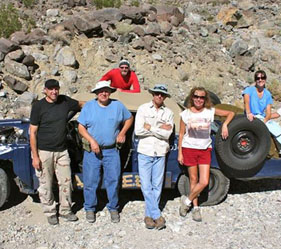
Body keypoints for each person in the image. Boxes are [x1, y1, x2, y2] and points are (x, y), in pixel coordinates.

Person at [78, 80, 134, 223]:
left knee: (113, 180)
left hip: (112, 151)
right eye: (101, 91)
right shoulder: (89, 106)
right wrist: (91, 141)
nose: (104, 93)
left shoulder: (117, 105)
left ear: (110, 92)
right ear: (96, 93)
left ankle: (113, 207)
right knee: (90, 181)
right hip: (92, 151)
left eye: (106, 90)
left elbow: (129, 118)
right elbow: (81, 127)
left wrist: (122, 133)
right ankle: (90, 208)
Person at [30, 79, 83, 225]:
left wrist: (99, 104)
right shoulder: (38, 106)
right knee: (45, 184)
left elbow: (80, 104)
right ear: (45, 90)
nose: (54, 92)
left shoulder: (64, 101)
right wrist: (35, 156)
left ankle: (65, 210)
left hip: (62, 151)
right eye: (51, 89)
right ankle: (50, 212)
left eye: (56, 89)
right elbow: (32, 132)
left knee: (66, 182)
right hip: (44, 152)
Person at [178, 86, 234, 222]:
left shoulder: (210, 112)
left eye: (202, 97)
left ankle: (186, 201)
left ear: (205, 99)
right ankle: (196, 208)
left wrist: (225, 125)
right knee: (193, 180)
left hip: (204, 149)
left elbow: (230, 113)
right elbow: (181, 134)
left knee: (203, 181)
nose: (199, 99)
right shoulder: (185, 114)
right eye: (196, 96)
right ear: (192, 98)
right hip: (189, 148)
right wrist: (180, 153)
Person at [134, 84, 174, 230]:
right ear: (153, 94)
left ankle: (148, 216)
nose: (159, 96)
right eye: (157, 93)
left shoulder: (169, 113)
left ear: (165, 97)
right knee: (146, 185)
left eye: (162, 95)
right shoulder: (143, 109)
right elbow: (138, 130)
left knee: (157, 185)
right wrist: (159, 128)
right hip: (145, 151)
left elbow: (167, 134)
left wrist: (150, 127)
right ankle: (157, 214)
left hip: (160, 151)